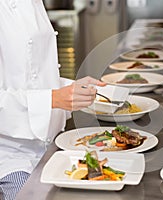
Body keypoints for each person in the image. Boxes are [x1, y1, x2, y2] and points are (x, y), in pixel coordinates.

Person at [0, 1, 105, 199]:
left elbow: (34, 76)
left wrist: (71, 89)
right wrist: (54, 99)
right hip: (10, 156)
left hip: (51, 145)